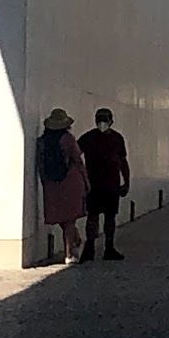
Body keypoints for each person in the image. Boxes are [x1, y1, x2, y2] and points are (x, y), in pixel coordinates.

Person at [77, 106, 130, 262]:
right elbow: (75, 157)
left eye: (105, 119)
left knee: (109, 217)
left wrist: (126, 182)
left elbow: (122, 161)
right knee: (93, 217)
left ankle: (109, 247)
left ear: (111, 121)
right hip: (93, 184)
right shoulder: (87, 138)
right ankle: (90, 247)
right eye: (99, 119)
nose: (102, 122)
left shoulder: (117, 138)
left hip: (111, 184)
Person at [37, 108, 87, 263]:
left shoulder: (41, 141)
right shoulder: (68, 139)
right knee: (70, 218)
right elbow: (78, 161)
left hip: (51, 184)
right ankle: (70, 253)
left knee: (60, 216)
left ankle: (74, 242)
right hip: (70, 181)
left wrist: (44, 181)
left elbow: (40, 163)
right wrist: (86, 181)